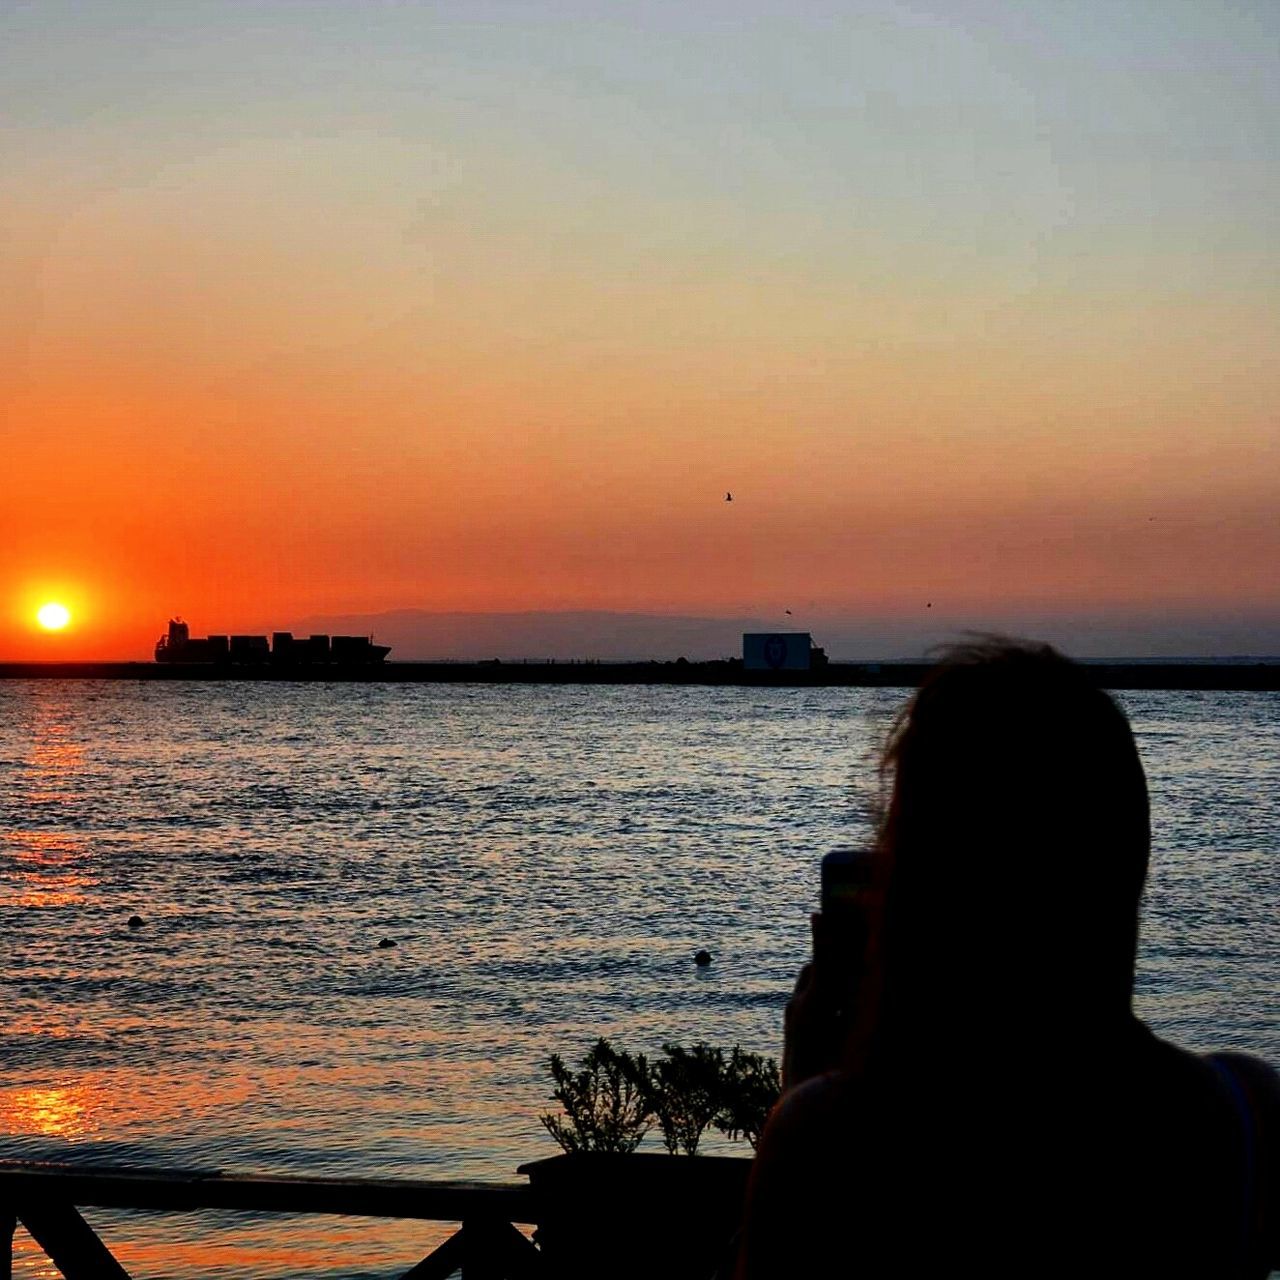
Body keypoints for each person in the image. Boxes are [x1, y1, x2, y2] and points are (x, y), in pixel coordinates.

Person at [737, 640, 1278, 1279]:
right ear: (1127, 854)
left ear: (923, 883)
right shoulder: (1247, 1116)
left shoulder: (834, 1138)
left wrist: (802, 1087)